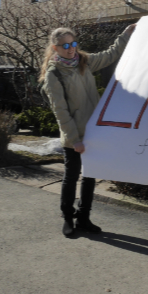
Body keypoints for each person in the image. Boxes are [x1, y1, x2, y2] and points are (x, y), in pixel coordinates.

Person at [39, 25, 135, 237]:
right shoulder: (54, 74)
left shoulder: (84, 61)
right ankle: (67, 217)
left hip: (93, 132)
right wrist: (75, 140)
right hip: (74, 137)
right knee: (71, 177)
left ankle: (84, 218)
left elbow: (110, 55)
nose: (71, 49)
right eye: (66, 45)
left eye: (73, 43)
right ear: (55, 48)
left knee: (90, 176)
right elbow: (61, 111)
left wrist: (125, 35)